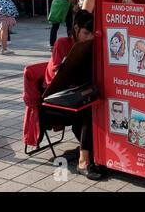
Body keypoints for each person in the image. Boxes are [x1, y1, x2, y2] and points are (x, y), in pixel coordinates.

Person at [43, 10, 101, 180]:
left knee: (96, 103)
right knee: (87, 112)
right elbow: (56, 75)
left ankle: (94, 150)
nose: (89, 37)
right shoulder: (62, 43)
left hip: (76, 90)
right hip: (56, 93)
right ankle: (84, 161)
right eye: (86, 33)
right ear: (76, 28)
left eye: (92, 33)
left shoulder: (90, 43)